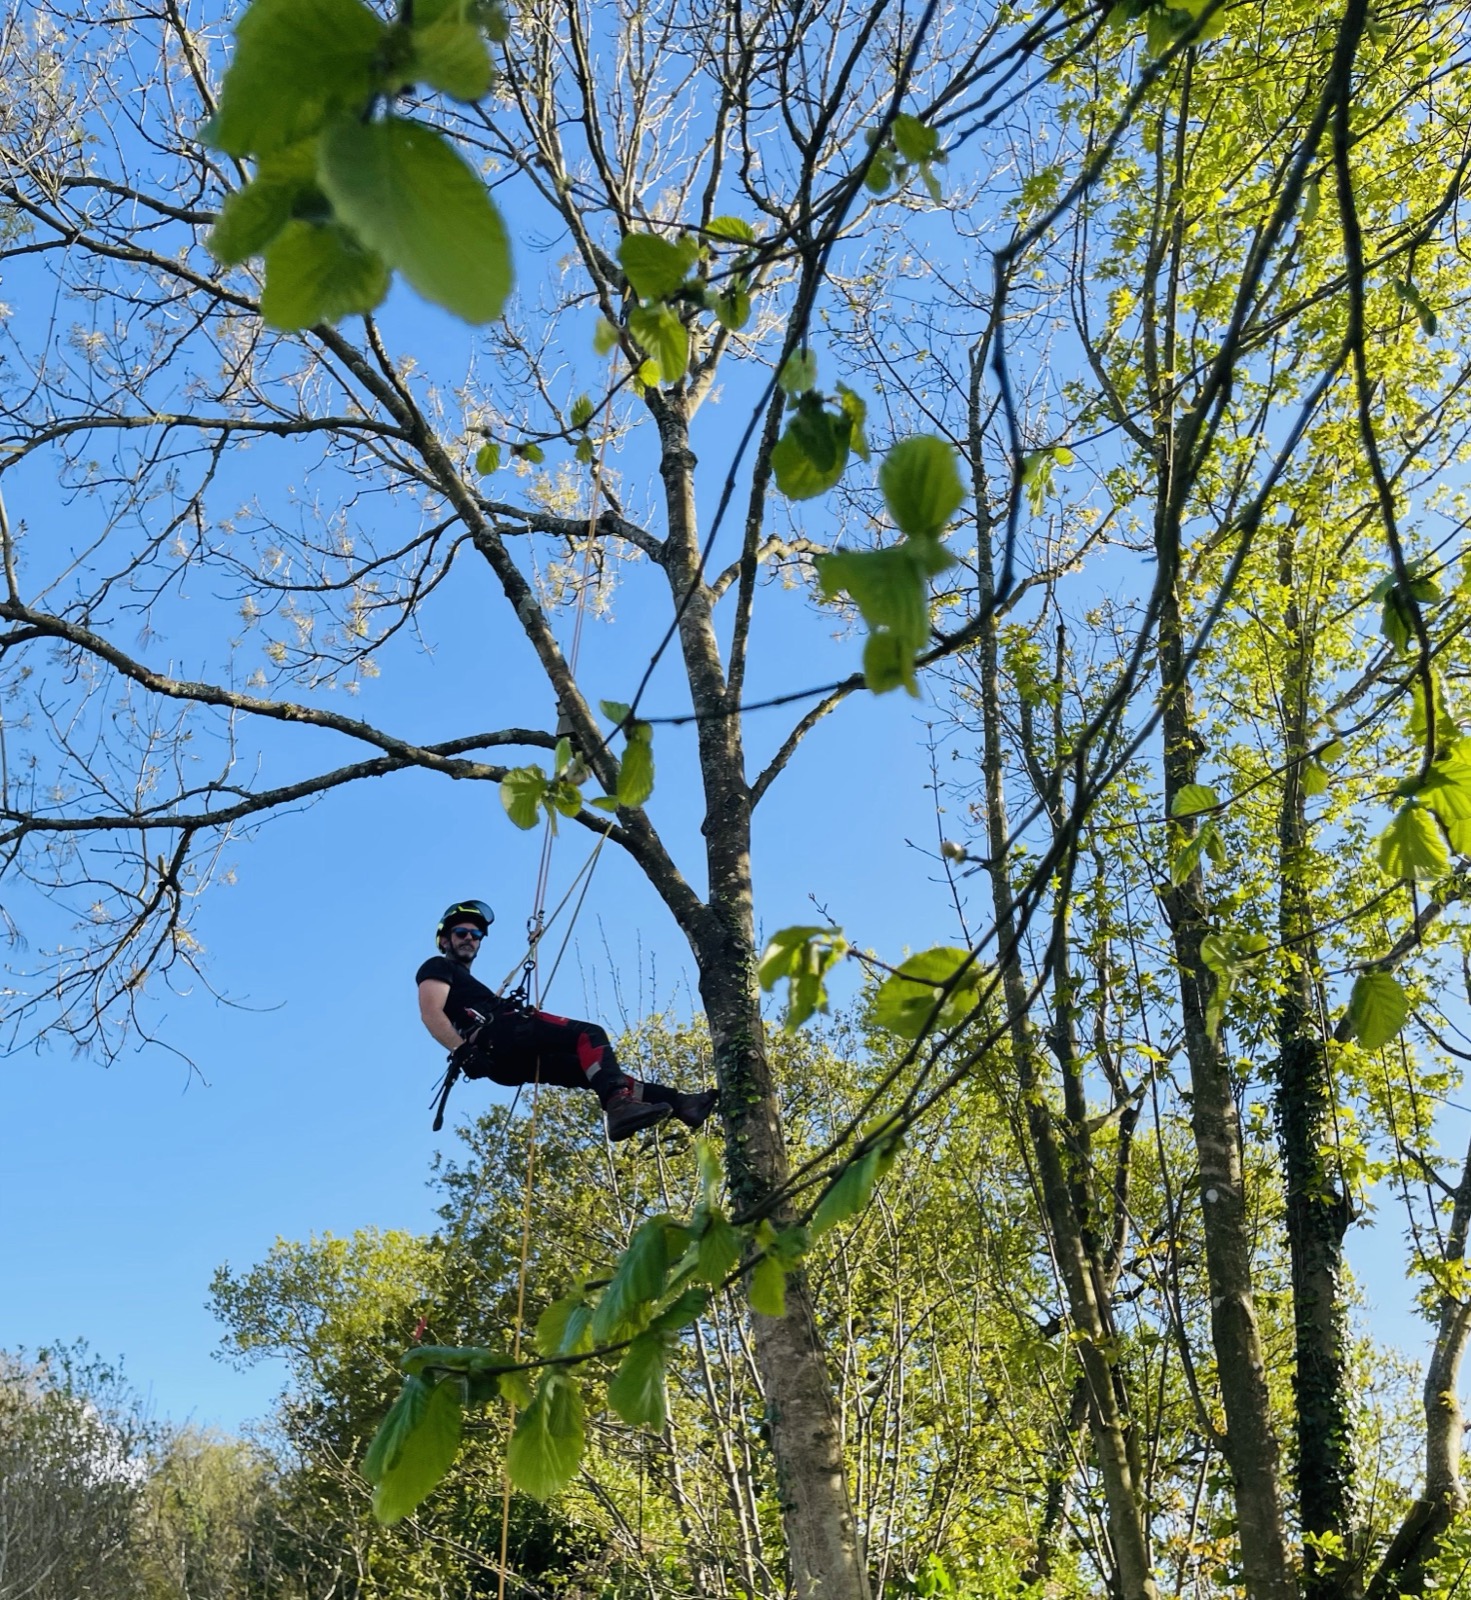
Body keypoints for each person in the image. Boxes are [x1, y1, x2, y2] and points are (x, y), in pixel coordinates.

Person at [416, 899, 718, 1142]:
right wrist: (463, 1050)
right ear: (444, 940)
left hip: (502, 1061)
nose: (470, 937)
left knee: (592, 1071)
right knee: (589, 1035)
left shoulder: (470, 987)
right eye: (461, 933)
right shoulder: (439, 966)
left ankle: (681, 1104)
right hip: (502, 1035)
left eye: (476, 934)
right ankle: (619, 1106)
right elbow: (431, 1013)